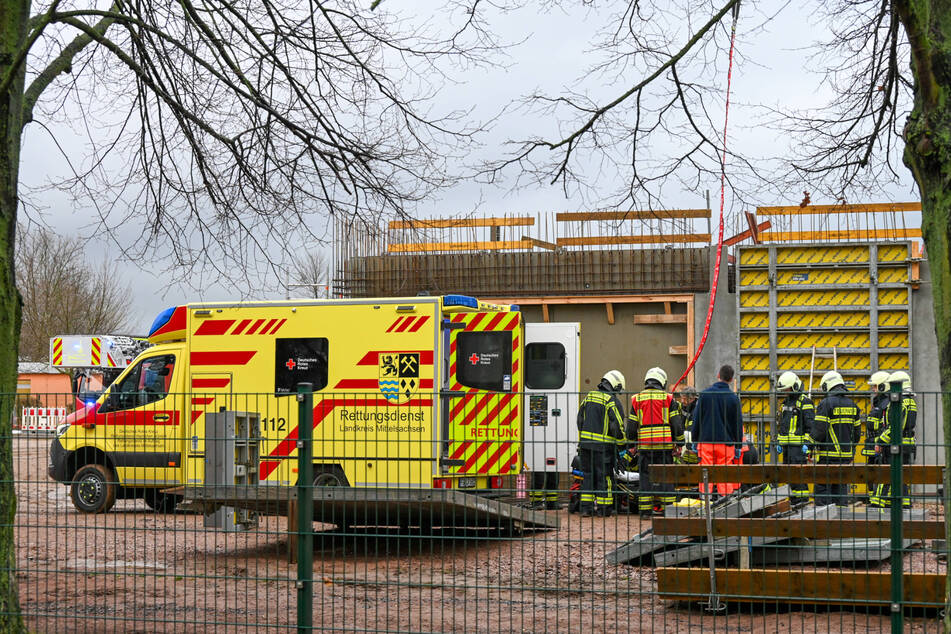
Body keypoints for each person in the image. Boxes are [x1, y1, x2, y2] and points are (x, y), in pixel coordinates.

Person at [627, 367, 680, 516]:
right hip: (664, 447)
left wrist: (632, 445)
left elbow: (631, 426)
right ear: (662, 381)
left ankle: (644, 512)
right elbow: (676, 424)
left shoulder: (637, 399)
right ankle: (668, 510)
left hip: (645, 448)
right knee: (666, 477)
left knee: (645, 478)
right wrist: (680, 444)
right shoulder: (668, 398)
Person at [805, 370, 861, 506]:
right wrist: (851, 452)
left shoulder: (826, 403)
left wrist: (808, 446)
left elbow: (819, 430)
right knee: (840, 490)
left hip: (828, 456)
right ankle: (841, 522)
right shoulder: (853, 405)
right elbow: (857, 434)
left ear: (828, 386)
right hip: (845, 458)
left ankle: (824, 522)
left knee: (823, 490)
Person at [577, 370, 626, 517]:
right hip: (603, 448)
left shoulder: (589, 396)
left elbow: (579, 420)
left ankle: (586, 509)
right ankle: (604, 510)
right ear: (615, 385)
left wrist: (584, 438)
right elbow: (616, 425)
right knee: (604, 477)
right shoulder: (611, 401)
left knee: (588, 476)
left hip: (585, 446)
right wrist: (622, 443)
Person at [693, 365, 743, 497]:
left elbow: (697, 419)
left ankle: (705, 502)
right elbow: (737, 424)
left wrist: (694, 439)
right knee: (724, 473)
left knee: (705, 472)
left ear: (718, 376)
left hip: (706, 442)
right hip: (726, 445)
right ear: (731, 379)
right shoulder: (733, 398)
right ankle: (725, 503)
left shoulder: (704, 395)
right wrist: (738, 445)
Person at [870, 370, 917, 508]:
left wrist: (879, 441)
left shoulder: (900, 402)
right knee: (901, 475)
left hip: (895, 444)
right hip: (907, 444)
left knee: (885, 472)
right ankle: (905, 503)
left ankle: (877, 502)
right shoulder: (911, 401)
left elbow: (895, 427)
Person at [775, 371, 814, 503]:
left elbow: (811, 426)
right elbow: (783, 426)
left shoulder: (805, 402)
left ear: (794, 387)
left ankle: (802, 501)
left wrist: (807, 445)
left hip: (798, 448)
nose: (785, 392)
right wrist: (780, 442)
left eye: (786, 389)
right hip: (787, 448)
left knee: (799, 477)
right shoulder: (785, 403)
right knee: (789, 476)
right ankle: (793, 501)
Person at [863, 371, 891, 505]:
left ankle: (878, 501)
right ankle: (872, 499)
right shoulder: (879, 401)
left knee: (880, 472)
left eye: (875, 386)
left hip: (880, 444)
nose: (873, 389)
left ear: (882, 386)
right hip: (872, 443)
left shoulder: (886, 402)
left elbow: (877, 425)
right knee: (871, 473)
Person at [674, 386, 700, 465]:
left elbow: (691, 428)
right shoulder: (683, 406)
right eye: (681, 398)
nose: (682, 401)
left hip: (694, 441)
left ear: (692, 399)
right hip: (686, 438)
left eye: (685, 399)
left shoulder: (697, 408)